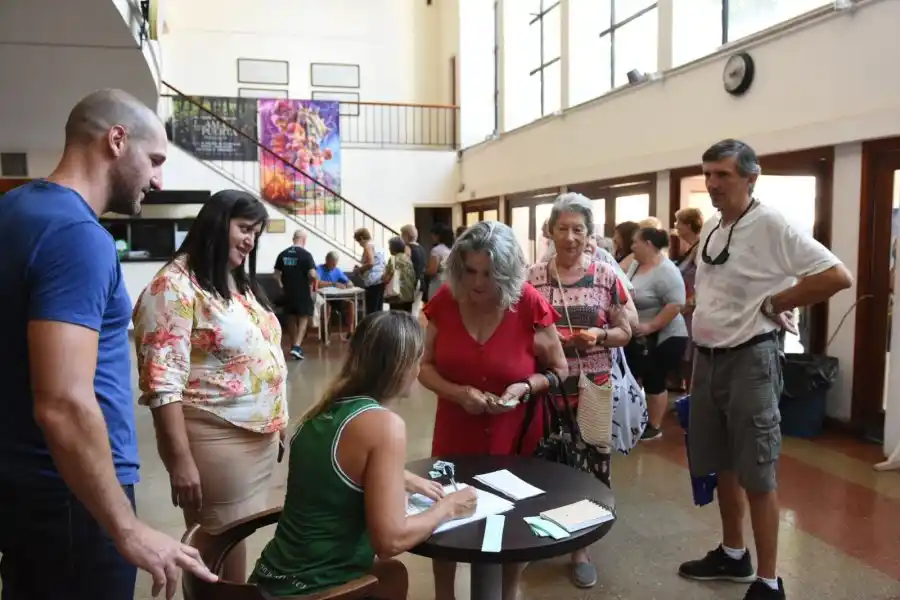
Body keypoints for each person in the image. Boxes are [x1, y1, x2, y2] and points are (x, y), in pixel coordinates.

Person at [0, 89, 215, 600]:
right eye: (155, 160)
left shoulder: (15, 209)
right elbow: (63, 403)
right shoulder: (78, 235)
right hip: (74, 497)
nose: (159, 181)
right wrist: (126, 527)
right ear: (116, 140)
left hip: (28, 488)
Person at [679, 139, 852, 600]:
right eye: (708, 174)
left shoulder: (773, 223)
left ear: (751, 178)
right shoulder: (714, 225)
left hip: (750, 360)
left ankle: (770, 581)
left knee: (757, 469)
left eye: (723, 174)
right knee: (721, 463)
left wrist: (778, 301)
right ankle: (733, 553)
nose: (712, 183)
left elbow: (837, 275)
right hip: (708, 359)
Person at [251, 311, 477, 598]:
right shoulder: (385, 426)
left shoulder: (321, 413)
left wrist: (404, 477)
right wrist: (449, 507)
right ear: (402, 365)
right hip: (314, 589)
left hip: (270, 578)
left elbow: (339, 468)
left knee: (392, 575)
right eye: (417, 360)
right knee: (390, 570)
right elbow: (390, 542)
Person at [133, 190, 288, 584]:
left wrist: (277, 416)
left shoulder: (235, 281)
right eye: (244, 228)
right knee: (216, 548)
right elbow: (162, 385)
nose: (250, 240)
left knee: (234, 540)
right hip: (215, 438)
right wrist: (179, 460)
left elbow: (263, 351)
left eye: (256, 233)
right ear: (217, 224)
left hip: (255, 440)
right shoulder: (173, 287)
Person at [418, 221, 568, 600]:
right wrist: (458, 393)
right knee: (445, 517)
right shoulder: (445, 301)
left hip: (515, 433)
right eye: (470, 271)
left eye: (489, 273)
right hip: (455, 432)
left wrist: (525, 387)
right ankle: (444, 595)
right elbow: (424, 367)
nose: (478, 282)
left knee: (512, 521)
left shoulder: (528, 303)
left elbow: (560, 369)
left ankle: (509, 592)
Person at [526, 193, 634, 589]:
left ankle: (581, 548)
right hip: (548, 385)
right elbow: (519, 330)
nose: (570, 237)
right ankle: (543, 531)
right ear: (550, 231)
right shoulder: (532, 276)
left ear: (589, 234)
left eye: (578, 229)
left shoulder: (605, 275)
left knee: (592, 464)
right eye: (562, 228)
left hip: (593, 384)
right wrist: (545, 342)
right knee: (545, 460)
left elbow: (626, 331)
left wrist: (599, 336)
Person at [624, 227, 688, 441]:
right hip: (639, 337)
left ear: (648, 244)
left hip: (665, 336)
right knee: (635, 377)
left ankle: (654, 425)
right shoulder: (636, 265)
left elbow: (676, 304)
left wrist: (650, 326)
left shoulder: (666, 270)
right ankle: (635, 421)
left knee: (654, 379)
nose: (632, 246)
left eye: (636, 242)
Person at [673, 207, 704, 390]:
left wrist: (691, 302)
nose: (676, 226)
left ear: (689, 225)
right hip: (686, 308)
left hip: (693, 309)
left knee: (692, 357)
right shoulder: (689, 248)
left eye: (679, 222)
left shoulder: (700, 248)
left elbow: (704, 280)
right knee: (686, 356)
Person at [275, 230, 318, 360]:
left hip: (288, 291)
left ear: (293, 238)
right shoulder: (306, 255)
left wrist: (282, 287)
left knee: (291, 317)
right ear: (304, 240)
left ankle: (293, 345)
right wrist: (314, 280)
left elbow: (276, 275)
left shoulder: (283, 254)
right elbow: (312, 274)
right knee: (303, 317)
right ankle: (297, 346)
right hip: (302, 291)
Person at [352, 228, 388, 314]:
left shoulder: (367, 246)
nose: (360, 244)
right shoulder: (378, 246)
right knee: (378, 308)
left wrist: (358, 270)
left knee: (372, 310)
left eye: (358, 242)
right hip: (381, 278)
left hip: (372, 281)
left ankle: (372, 323)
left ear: (361, 238)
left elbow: (371, 263)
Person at [384, 236, 418, 312]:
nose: (389, 248)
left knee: (396, 317)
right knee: (407, 316)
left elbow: (387, 279)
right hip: (409, 295)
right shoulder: (408, 259)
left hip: (396, 296)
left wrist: (383, 277)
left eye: (390, 246)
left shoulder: (393, 259)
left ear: (394, 248)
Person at [424, 222, 454, 302]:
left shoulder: (436, 250)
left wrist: (424, 271)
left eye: (433, 236)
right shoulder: (451, 250)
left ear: (438, 236)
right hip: (449, 282)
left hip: (438, 283)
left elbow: (432, 270)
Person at [400, 224, 427, 309]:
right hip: (421, 282)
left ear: (406, 235)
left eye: (402, 234)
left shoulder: (407, 248)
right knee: (415, 309)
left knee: (407, 310)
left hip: (411, 283)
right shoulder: (421, 248)